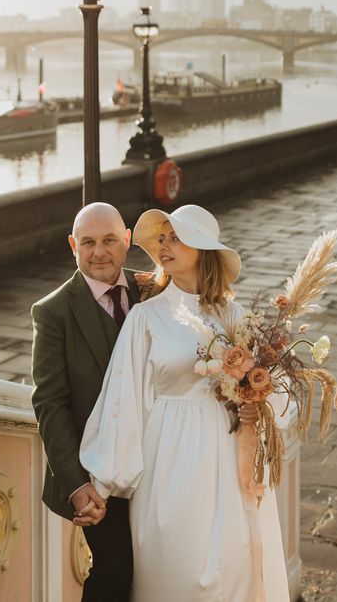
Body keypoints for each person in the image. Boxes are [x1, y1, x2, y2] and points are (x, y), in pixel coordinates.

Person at [79, 204, 290, 601]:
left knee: (233, 567)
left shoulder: (236, 317)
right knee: (175, 569)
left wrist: (252, 405)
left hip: (228, 460)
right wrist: (104, 483)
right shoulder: (146, 317)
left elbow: (275, 394)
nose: (165, 245)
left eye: (176, 237)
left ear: (203, 250)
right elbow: (124, 401)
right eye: (162, 239)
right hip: (168, 462)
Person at [31, 202, 140, 601]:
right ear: (72, 245)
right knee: (115, 572)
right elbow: (50, 403)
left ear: (126, 240)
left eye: (109, 240)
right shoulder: (53, 312)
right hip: (96, 475)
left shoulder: (154, 291)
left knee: (156, 568)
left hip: (156, 465)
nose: (99, 252)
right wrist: (76, 484)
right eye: (88, 243)